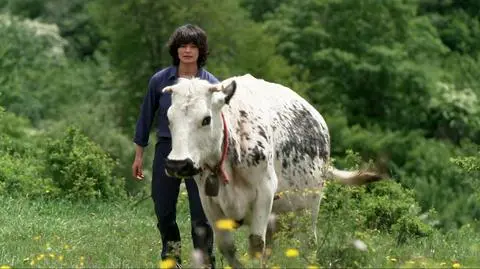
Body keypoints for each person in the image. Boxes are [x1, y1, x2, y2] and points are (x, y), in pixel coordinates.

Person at [131, 24, 218, 268]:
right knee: (164, 211)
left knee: (202, 216)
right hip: (167, 149)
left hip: (199, 154)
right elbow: (145, 118)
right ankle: (172, 259)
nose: (188, 51)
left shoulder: (212, 85)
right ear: (176, 49)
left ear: (201, 51)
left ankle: (204, 262)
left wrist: (220, 165)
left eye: (193, 46)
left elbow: (221, 129)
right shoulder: (160, 80)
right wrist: (139, 155)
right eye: (183, 46)